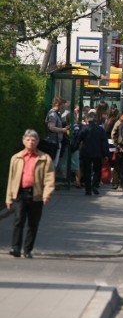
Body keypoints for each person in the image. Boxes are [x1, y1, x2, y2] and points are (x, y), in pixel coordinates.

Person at [6, 129, 55, 258]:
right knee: (18, 220)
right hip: (20, 193)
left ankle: (27, 250)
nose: (30, 142)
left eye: (33, 140)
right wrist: (9, 198)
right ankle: (15, 248)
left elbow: (50, 178)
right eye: (28, 139)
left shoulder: (44, 158)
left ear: (38, 142)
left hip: (36, 194)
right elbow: (11, 179)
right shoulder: (16, 158)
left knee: (33, 223)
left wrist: (47, 194)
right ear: (23, 141)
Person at [76, 112, 110, 195]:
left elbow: (78, 140)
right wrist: (106, 154)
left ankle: (88, 189)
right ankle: (95, 185)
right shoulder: (100, 130)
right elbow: (104, 143)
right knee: (97, 170)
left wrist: (73, 148)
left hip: (86, 153)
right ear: (95, 120)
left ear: (87, 119)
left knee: (87, 170)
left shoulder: (84, 129)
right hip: (97, 154)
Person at [44, 97, 69, 168]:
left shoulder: (56, 114)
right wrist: (62, 130)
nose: (63, 107)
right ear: (58, 104)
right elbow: (51, 127)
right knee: (52, 164)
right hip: (53, 142)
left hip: (56, 142)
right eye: (62, 105)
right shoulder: (53, 114)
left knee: (54, 164)